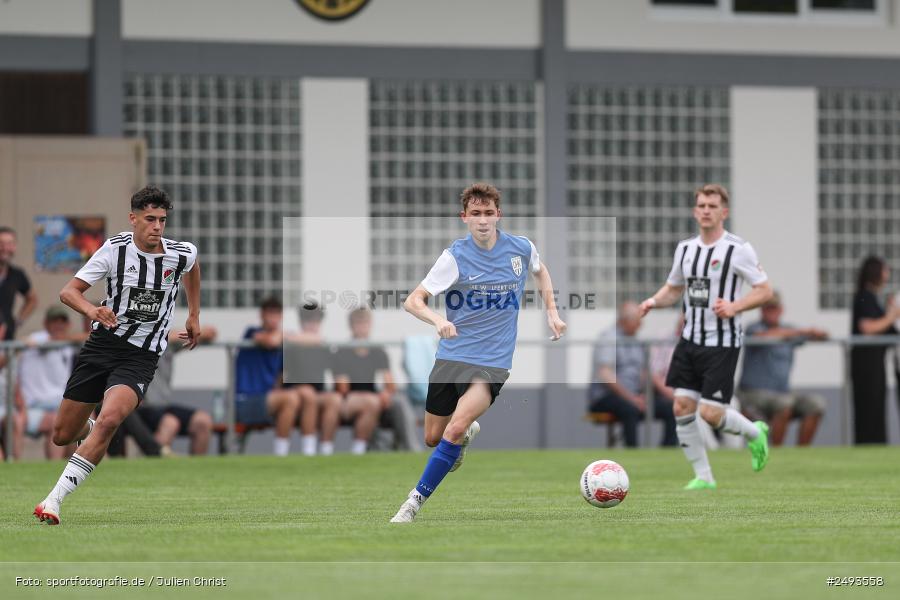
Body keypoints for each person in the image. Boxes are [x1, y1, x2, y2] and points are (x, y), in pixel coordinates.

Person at [390, 182, 566, 523]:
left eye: (488, 213)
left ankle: (412, 504)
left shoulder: (521, 248)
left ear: (499, 215)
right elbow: (413, 301)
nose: (483, 220)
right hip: (452, 356)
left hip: (492, 363)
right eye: (475, 214)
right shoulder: (454, 257)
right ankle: (466, 434)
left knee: (453, 429)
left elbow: (540, 270)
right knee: (433, 438)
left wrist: (552, 312)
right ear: (464, 217)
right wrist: (438, 320)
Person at [32, 185, 201, 525]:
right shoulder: (114, 250)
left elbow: (193, 268)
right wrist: (92, 310)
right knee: (63, 434)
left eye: (162, 220)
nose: (157, 227)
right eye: (150, 219)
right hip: (103, 346)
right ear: (133, 218)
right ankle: (91, 429)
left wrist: (194, 314)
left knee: (110, 419)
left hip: (142, 356)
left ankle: (53, 500)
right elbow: (69, 292)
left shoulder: (180, 253)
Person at [639, 183, 773, 490]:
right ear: (694, 211)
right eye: (701, 205)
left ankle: (755, 433)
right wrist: (653, 301)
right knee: (681, 407)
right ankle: (704, 476)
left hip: (722, 342)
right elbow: (674, 288)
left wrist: (735, 306)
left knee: (711, 414)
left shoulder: (738, 249)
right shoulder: (686, 249)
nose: (706, 211)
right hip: (690, 340)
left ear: (724, 212)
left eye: (712, 206)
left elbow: (765, 290)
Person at [738, 291, 828, 446]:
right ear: (761, 310)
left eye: (774, 308)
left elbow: (822, 336)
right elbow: (765, 336)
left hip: (782, 392)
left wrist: (817, 332)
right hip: (753, 394)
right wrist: (801, 332)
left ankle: (801, 455)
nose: (771, 312)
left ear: (781, 310)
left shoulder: (789, 330)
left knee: (816, 404)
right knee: (784, 404)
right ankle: (777, 453)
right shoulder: (753, 327)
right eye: (767, 308)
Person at [587, 302, 677, 447]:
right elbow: (606, 375)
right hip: (605, 398)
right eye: (638, 321)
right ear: (625, 321)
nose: (641, 325)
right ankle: (632, 452)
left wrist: (645, 395)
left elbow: (644, 374)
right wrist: (632, 398)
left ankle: (666, 452)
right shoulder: (608, 338)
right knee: (629, 409)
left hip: (634, 396)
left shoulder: (635, 341)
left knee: (670, 408)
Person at [334, 307, 419, 452]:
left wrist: (386, 393)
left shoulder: (377, 351)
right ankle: (377, 447)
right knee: (370, 404)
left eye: (365, 323)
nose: (362, 328)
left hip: (375, 397)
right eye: (358, 323)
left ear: (370, 325)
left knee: (400, 402)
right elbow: (343, 388)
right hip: (351, 399)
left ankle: (411, 448)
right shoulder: (342, 352)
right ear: (351, 326)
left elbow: (390, 384)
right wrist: (371, 398)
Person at [235, 298, 311, 456]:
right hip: (244, 400)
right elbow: (271, 341)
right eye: (270, 314)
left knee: (307, 393)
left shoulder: (282, 343)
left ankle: (309, 452)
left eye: (276, 314)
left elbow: (315, 339)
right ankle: (280, 455)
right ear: (262, 315)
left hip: (267, 400)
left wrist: (289, 337)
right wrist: (287, 335)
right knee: (290, 398)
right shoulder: (252, 332)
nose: (273, 319)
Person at [136, 325, 218, 455]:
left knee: (203, 421)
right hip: (139, 407)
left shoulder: (167, 342)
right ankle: (152, 464)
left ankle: (196, 468)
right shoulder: (133, 339)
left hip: (163, 406)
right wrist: (185, 334)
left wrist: (194, 332)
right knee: (170, 423)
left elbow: (210, 333)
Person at [16, 306, 80, 459]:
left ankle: (74, 466)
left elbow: (87, 336)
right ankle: (56, 468)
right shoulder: (39, 337)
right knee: (57, 422)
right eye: (54, 321)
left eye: (62, 321)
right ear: (46, 323)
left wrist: (66, 339)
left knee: (83, 417)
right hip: (33, 406)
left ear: (68, 324)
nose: (59, 325)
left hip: (58, 404)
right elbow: (28, 342)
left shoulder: (67, 345)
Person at [850, 256, 900, 444]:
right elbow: (868, 327)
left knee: (877, 407)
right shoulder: (865, 296)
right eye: (885, 270)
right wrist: (891, 315)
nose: (887, 275)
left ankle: (877, 443)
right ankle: (869, 443)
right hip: (866, 366)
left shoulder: (872, 297)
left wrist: (889, 313)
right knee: (869, 408)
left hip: (875, 363)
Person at [285, 302, 345, 456]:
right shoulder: (291, 345)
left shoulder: (324, 346)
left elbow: (337, 376)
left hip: (318, 392)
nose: (312, 324)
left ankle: (326, 450)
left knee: (334, 399)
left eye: (316, 320)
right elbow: (280, 374)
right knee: (308, 394)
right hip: (295, 391)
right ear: (301, 321)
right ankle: (308, 450)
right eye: (308, 320)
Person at [0, 226, 38, 340]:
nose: (5, 248)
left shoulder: (17, 274)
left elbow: (32, 299)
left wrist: (17, 322)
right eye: (1, 243)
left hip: (7, 341)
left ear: (15, 246)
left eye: (9, 243)